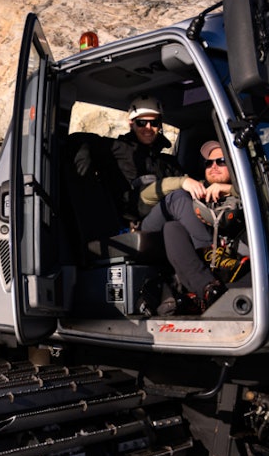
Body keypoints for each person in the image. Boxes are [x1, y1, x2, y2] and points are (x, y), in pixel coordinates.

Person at [146, 140, 242, 314]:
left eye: (221, 161)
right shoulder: (196, 188)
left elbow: (263, 192)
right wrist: (182, 182)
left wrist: (227, 188)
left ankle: (207, 289)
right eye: (208, 163)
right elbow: (146, 197)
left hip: (183, 255)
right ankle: (211, 254)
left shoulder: (242, 191)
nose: (214, 166)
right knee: (178, 197)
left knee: (172, 229)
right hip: (153, 232)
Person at [71, 97, 201, 225]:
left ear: (160, 125)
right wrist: (85, 183)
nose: (148, 128)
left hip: (166, 218)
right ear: (131, 124)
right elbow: (78, 140)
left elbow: (189, 184)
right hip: (130, 219)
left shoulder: (167, 161)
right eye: (141, 123)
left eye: (154, 123)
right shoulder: (118, 148)